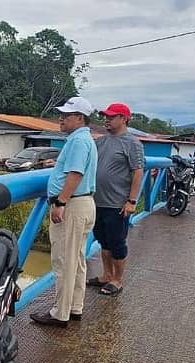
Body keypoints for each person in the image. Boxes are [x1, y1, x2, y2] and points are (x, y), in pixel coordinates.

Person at [30, 96, 98, 328]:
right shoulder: (85, 139)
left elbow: (75, 174)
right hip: (83, 203)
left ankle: (60, 314)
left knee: (64, 261)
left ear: (79, 118)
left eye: (66, 115)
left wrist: (60, 202)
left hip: (72, 206)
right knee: (76, 260)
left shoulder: (78, 141)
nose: (61, 119)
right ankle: (74, 308)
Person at [88, 102, 144, 297]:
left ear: (123, 119)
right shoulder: (101, 141)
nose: (107, 120)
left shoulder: (132, 143)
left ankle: (117, 280)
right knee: (103, 240)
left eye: (111, 117)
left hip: (117, 203)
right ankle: (106, 275)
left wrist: (131, 201)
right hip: (98, 201)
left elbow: (137, 172)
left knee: (117, 242)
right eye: (106, 116)